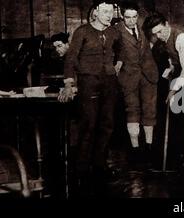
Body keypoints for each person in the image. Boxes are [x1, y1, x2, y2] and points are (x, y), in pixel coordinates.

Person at [58, 1, 120, 194]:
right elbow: (71, 58)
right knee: (89, 125)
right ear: (95, 13)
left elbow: (120, 52)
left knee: (107, 125)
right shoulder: (82, 32)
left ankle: (100, 166)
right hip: (88, 83)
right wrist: (69, 83)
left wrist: (116, 66)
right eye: (105, 12)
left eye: (111, 12)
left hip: (109, 82)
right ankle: (82, 170)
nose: (109, 15)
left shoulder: (113, 32)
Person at [142, 11, 184, 173]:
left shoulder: (183, 37)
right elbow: (175, 60)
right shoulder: (164, 37)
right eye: (154, 33)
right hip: (183, 72)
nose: (158, 36)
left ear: (167, 24)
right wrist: (170, 69)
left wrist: (173, 90)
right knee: (181, 116)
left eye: (160, 31)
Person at [114, 2, 158, 152]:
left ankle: (149, 146)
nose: (131, 21)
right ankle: (135, 149)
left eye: (134, 17)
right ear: (122, 16)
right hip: (128, 76)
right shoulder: (115, 31)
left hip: (148, 75)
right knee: (132, 110)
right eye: (128, 17)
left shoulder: (143, 28)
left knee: (150, 109)